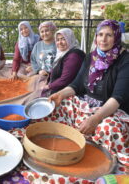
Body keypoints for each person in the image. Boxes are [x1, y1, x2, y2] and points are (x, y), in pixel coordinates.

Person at [48, 19, 128, 168]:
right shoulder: (91, 57)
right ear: (96, 36)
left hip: (109, 111)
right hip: (86, 105)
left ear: (117, 37)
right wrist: (60, 94)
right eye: (100, 34)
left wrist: (95, 119)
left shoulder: (125, 60)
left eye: (109, 35)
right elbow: (77, 85)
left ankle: (99, 159)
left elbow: (118, 98)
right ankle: (76, 139)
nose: (103, 39)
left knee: (110, 128)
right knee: (57, 104)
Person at [42, 28, 85, 94]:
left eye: (63, 39)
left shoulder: (73, 56)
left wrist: (48, 86)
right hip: (58, 87)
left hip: (66, 92)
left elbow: (65, 80)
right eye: (58, 40)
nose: (60, 43)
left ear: (70, 39)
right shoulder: (64, 53)